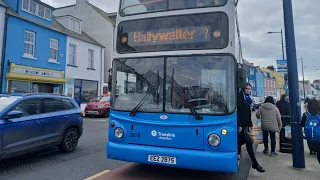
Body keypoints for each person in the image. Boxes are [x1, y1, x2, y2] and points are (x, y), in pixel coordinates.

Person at [237, 83, 265, 173]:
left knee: (241, 142)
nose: (249, 90)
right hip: (240, 126)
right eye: (247, 88)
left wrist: (250, 124)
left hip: (245, 126)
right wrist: (239, 125)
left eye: (250, 89)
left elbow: (248, 113)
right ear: (244, 89)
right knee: (248, 141)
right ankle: (255, 163)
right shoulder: (239, 97)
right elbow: (237, 111)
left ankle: (239, 155)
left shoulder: (248, 99)